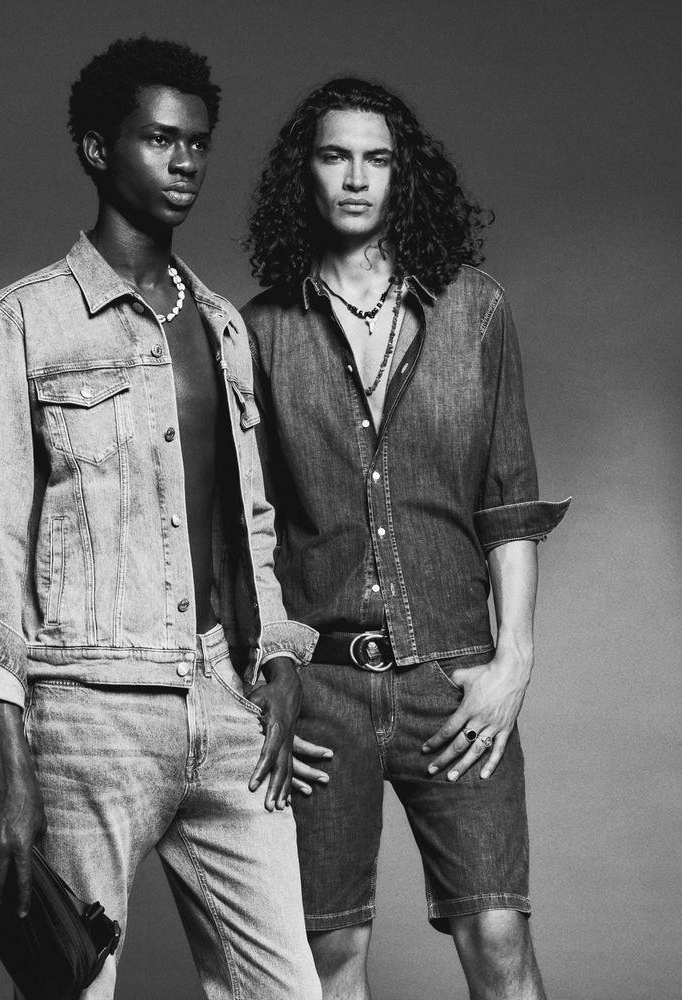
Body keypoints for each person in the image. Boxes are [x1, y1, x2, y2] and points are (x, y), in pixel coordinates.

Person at [0, 36, 322, 1000]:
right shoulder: (19, 323)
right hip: (88, 714)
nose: (185, 161)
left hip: (225, 705)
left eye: (197, 142)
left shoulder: (224, 326)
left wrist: (279, 661)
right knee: (75, 987)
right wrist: (7, 764)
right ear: (96, 149)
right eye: (159, 139)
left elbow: (249, 522)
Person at [242, 77, 571, 1000]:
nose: (356, 178)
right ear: (304, 174)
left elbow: (508, 504)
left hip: (454, 679)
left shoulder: (475, 311)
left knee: (498, 939)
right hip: (323, 693)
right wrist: (269, 684)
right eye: (334, 156)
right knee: (328, 958)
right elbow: (250, 531)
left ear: (403, 176)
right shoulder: (259, 332)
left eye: (377, 159)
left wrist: (513, 664)